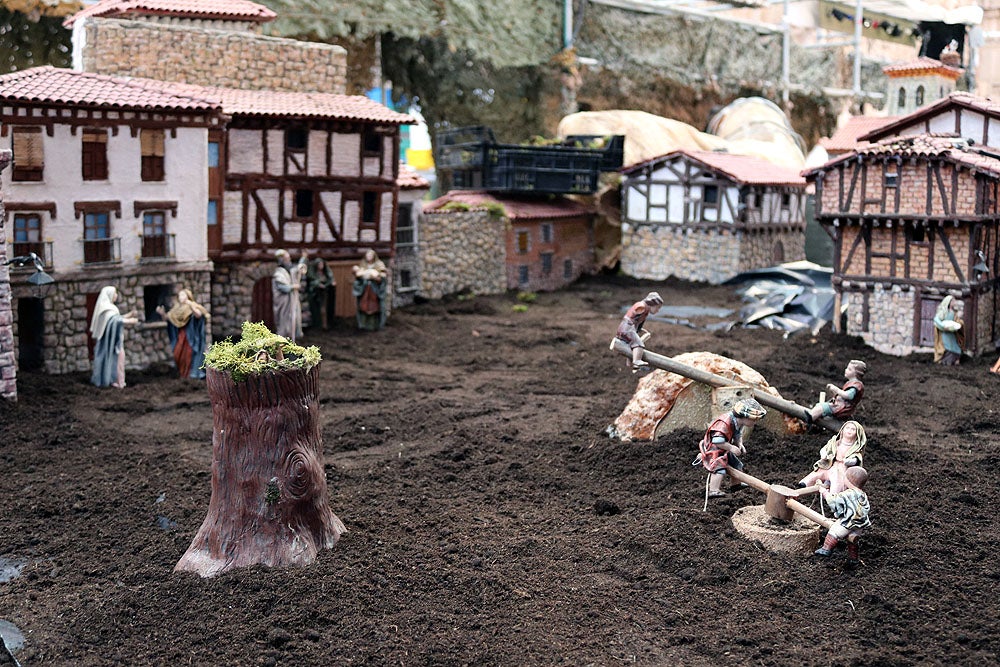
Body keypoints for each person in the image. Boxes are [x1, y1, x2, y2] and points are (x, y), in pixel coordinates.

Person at [694, 397, 767, 499]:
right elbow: (717, 441)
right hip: (714, 449)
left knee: (737, 465)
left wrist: (739, 444)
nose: (755, 423)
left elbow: (737, 435)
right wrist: (731, 448)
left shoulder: (738, 423)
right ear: (744, 416)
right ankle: (713, 490)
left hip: (724, 449)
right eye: (754, 420)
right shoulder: (725, 422)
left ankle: (736, 485)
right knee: (719, 468)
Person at [814, 466, 872, 567]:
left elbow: (833, 500)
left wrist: (823, 492)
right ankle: (853, 558)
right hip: (860, 525)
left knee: (834, 531)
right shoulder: (863, 494)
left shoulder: (848, 494)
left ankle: (826, 549)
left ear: (849, 481)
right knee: (853, 541)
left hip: (849, 523)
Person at [798, 420, 866, 494]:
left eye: (853, 429)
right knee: (819, 472)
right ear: (842, 430)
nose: (849, 431)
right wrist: (824, 455)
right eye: (847, 428)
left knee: (837, 480)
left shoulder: (855, 448)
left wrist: (848, 461)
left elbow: (856, 459)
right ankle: (805, 484)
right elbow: (825, 449)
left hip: (842, 468)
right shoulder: (834, 442)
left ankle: (833, 495)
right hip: (830, 464)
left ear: (857, 434)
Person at [89, 286, 139, 388]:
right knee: (117, 361)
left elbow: (116, 318)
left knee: (120, 360)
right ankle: (116, 381)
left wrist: (129, 315)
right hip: (108, 343)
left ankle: (119, 381)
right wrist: (129, 321)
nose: (116, 295)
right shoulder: (106, 308)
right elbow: (114, 320)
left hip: (114, 341)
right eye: (115, 293)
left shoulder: (110, 308)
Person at [157, 288, 209, 379]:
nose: (181, 297)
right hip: (181, 335)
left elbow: (199, 315)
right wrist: (162, 313)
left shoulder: (193, 305)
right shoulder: (176, 308)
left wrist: (191, 305)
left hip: (191, 335)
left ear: (188, 296)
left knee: (189, 354)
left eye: (183, 295)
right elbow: (169, 318)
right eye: (180, 295)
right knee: (178, 353)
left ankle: (191, 375)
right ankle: (183, 375)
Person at [615, 292, 664, 370]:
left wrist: (638, 329)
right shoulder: (641, 306)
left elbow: (640, 320)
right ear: (652, 303)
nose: (657, 311)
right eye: (657, 308)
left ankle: (630, 362)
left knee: (631, 345)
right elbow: (633, 317)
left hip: (627, 328)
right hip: (627, 328)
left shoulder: (645, 310)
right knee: (638, 344)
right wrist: (634, 328)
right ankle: (636, 360)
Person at [273, 249, 307, 343]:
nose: (289, 260)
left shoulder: (289, 271)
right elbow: (283, 287)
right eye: (287, 258)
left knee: (292, 320)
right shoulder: (279, 273)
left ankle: (291, 341)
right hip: (284, 304)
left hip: (291, 303)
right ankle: (281, 343)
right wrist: (293, 287)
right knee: (284, 323)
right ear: (282, 260)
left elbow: (297, 270)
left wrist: (303, 259)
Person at [352, 248, 388, 330]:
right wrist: (360, 277)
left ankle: (374, 325)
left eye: (370, 255)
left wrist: (375, 278)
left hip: (374, 289)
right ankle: (363, 324)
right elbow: (358, 276)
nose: (369, 257)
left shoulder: (379, 265)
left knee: (374, 306)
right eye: (367, 255)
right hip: (365, 289)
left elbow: (382, 278)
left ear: (374, 256)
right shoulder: (363, 265)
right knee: (364, 305)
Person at [306, 256, 336, 330]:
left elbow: (330, 279)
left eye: (322, 264)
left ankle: (325, 324)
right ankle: (318, 324)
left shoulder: (326, 273)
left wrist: (328, 284)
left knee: (325, 309)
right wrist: (318, 284)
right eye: (319, 264)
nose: (321, 266)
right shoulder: (313, 274)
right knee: (317, 310)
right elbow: (311, 283)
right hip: (316, 294)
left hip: (325, 293)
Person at [933, 295, 964, 366]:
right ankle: (946, 361)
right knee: (947, 347)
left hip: (951, 332)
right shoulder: (943, 311)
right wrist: (943, 326)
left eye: (954, 301)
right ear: (948, 302)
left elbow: (956, 321)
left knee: (956, 347)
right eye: (952, 301)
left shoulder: (953, 312)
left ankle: (956, 360)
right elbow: (936, 319)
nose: (954, 302)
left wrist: (958, 323)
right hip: (945, 333)